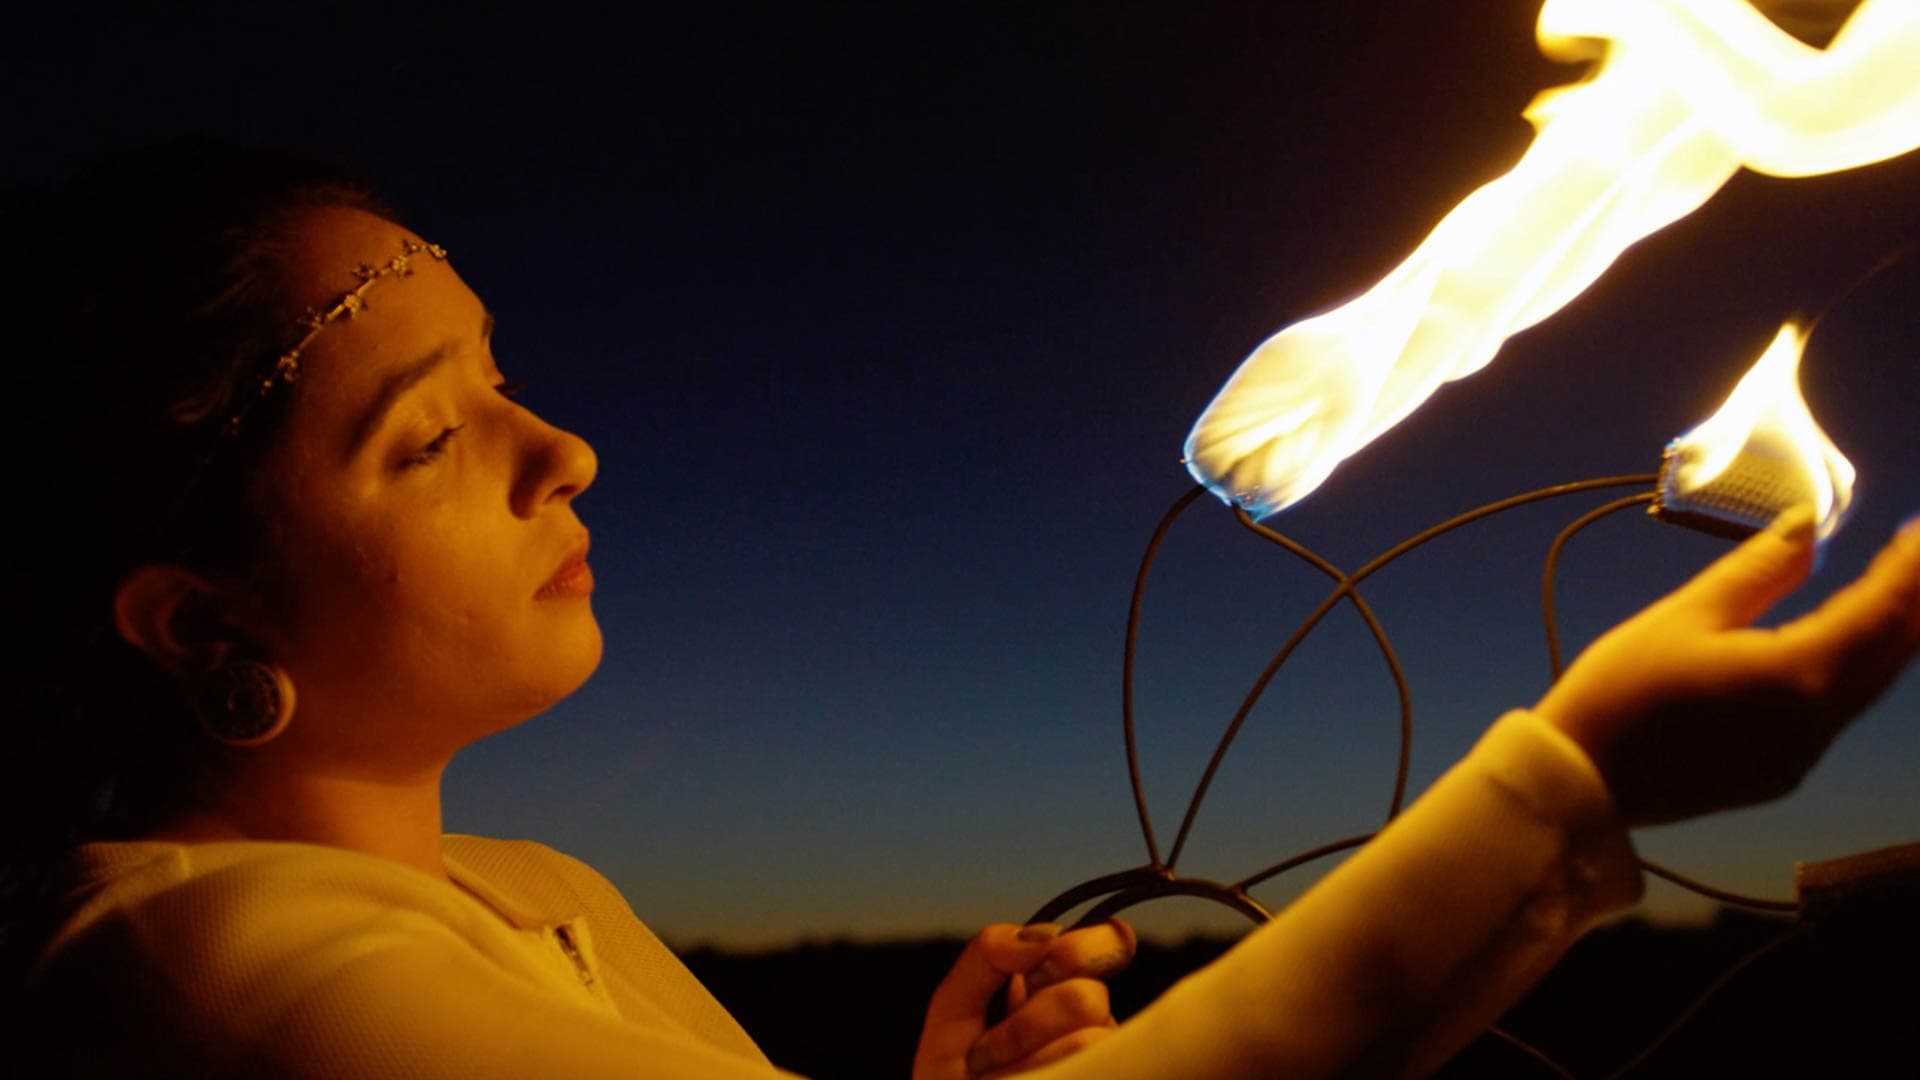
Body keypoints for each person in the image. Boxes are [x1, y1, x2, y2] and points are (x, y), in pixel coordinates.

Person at [3, 138, 1916, 1079]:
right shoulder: (210, 974)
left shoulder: (534, 892)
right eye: (430, 436)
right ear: (192, 622)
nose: (563, 448)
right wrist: (1572, 785)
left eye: (504, 376)